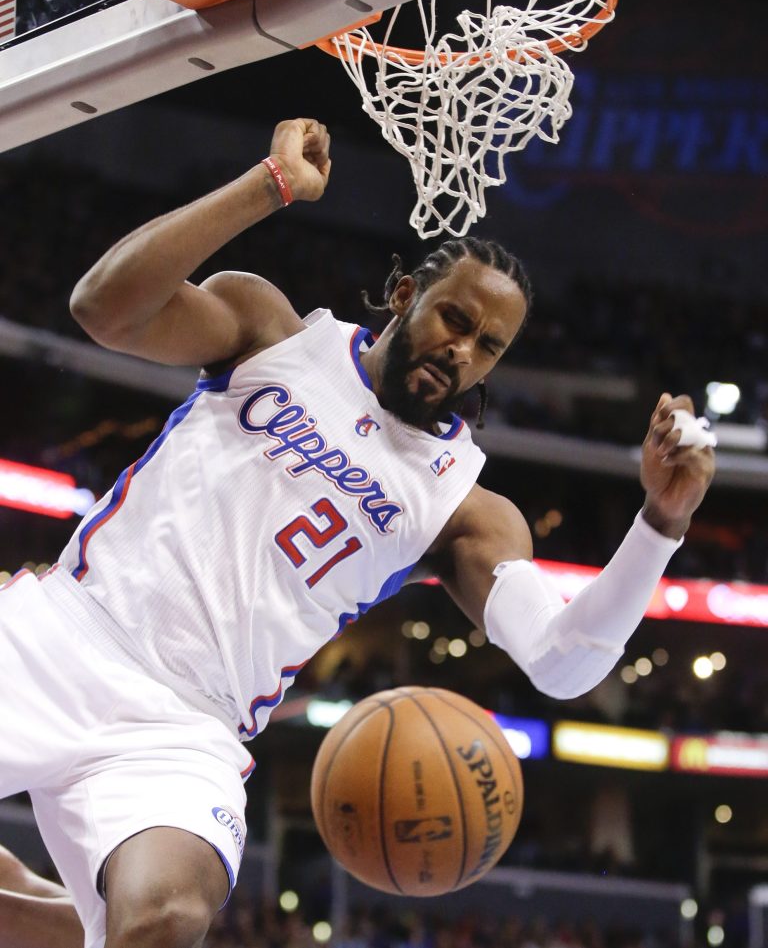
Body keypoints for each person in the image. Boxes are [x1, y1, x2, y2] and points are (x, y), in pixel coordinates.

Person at [0, 117, 715, 948]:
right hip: (62, 634)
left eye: (489, 345)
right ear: (406, 293)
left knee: (165, 916)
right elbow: (104, 308)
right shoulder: (271, 331)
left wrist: (662, 521)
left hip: (185, 727)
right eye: (455, 317)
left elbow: (563, 663)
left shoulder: (462, 506)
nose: (463, 350)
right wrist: (268, 184)